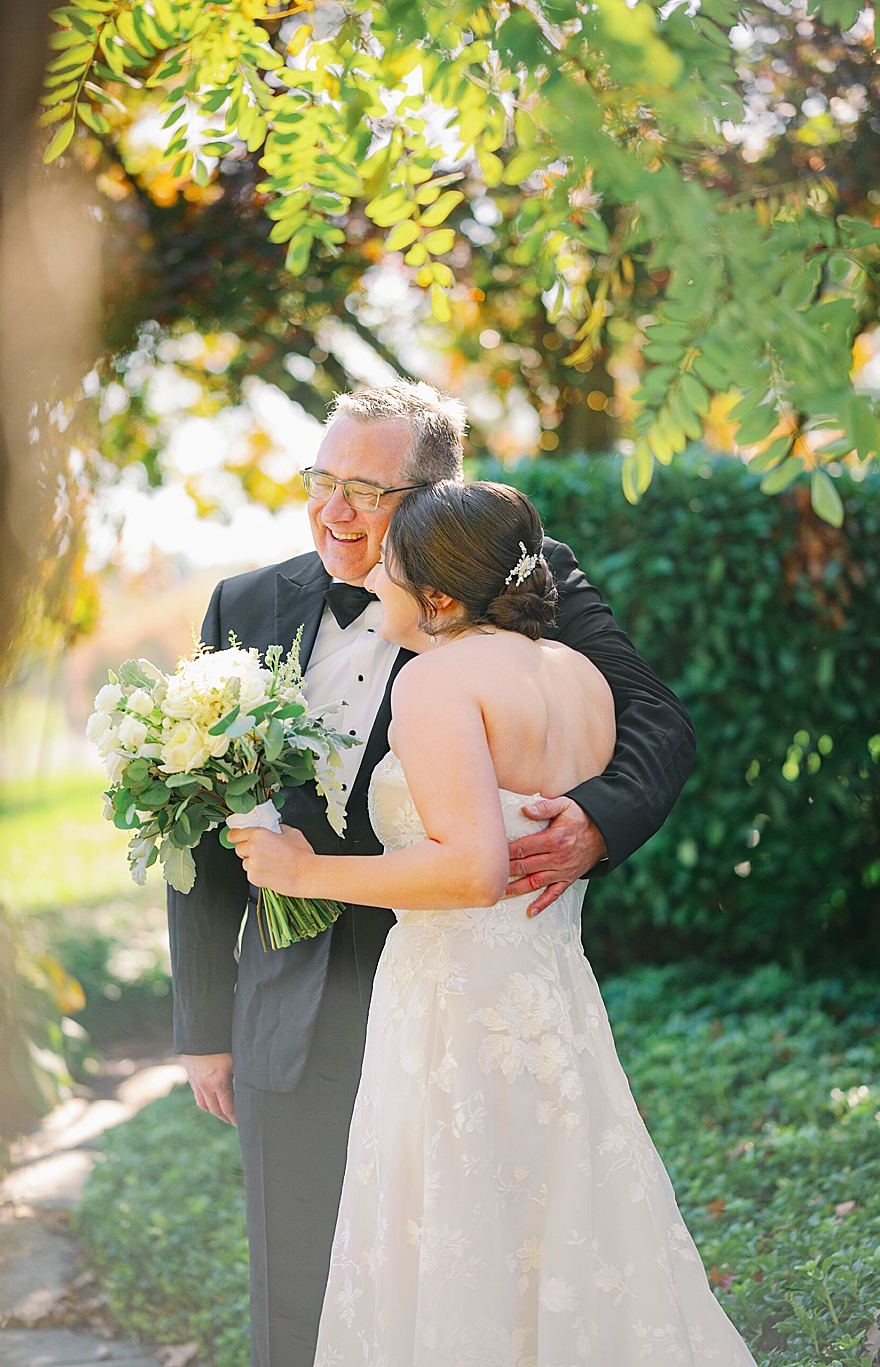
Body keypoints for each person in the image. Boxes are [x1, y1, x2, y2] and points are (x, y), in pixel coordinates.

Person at [166, 383, 696, 1367]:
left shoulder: (518, 580)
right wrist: (202, 1022)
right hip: (293, 1002)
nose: (333, 511)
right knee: (304, 1289)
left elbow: (656, 719)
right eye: (320, 480)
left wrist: (596, 822)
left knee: (478, 1273)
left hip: (460, 995)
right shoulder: (243, 604)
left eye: (365, 490)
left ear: (433, 498)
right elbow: (202, 827)